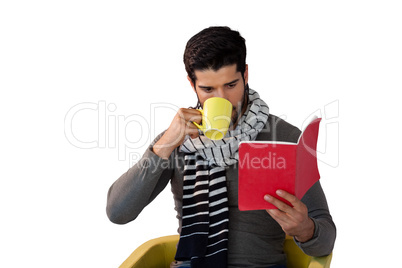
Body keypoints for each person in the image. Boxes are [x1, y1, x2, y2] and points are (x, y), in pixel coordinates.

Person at [106, 26, 336, 268]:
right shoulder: (177, 139)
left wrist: (305, 229)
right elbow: (118, 213)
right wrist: (163, 146)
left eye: (230, 85)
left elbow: (326, 240)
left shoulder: (285, 137)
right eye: (208, 89)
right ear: (191, 84)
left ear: (245, 75)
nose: (222, 99)